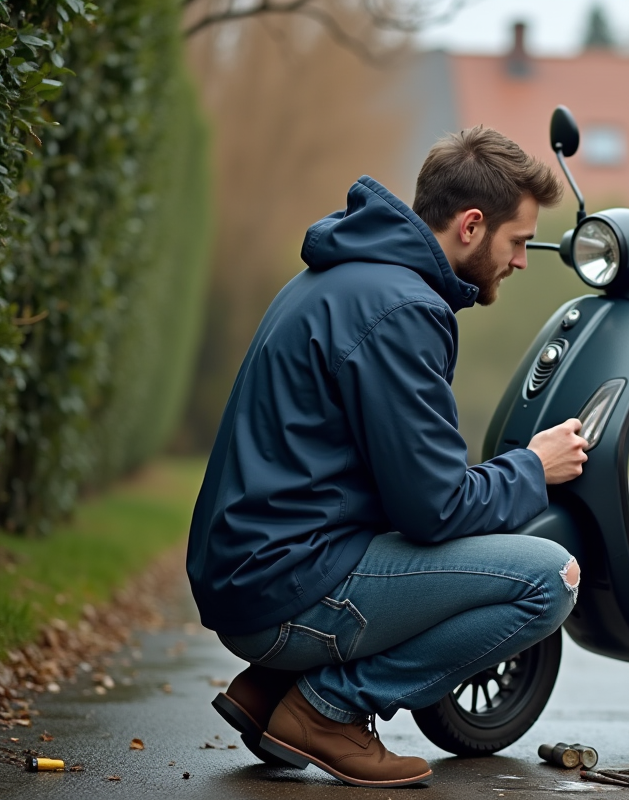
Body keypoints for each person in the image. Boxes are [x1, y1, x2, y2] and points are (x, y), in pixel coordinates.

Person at [186, 126, 588, 788]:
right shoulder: (401, 309)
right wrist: (532, 467)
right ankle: (326, 709)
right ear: (471, 225)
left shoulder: (344, 278)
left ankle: (272, 690)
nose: (521, 261)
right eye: (518, 243)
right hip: (282, 590)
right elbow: (435, 509)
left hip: (252, 575)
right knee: (550, 579)